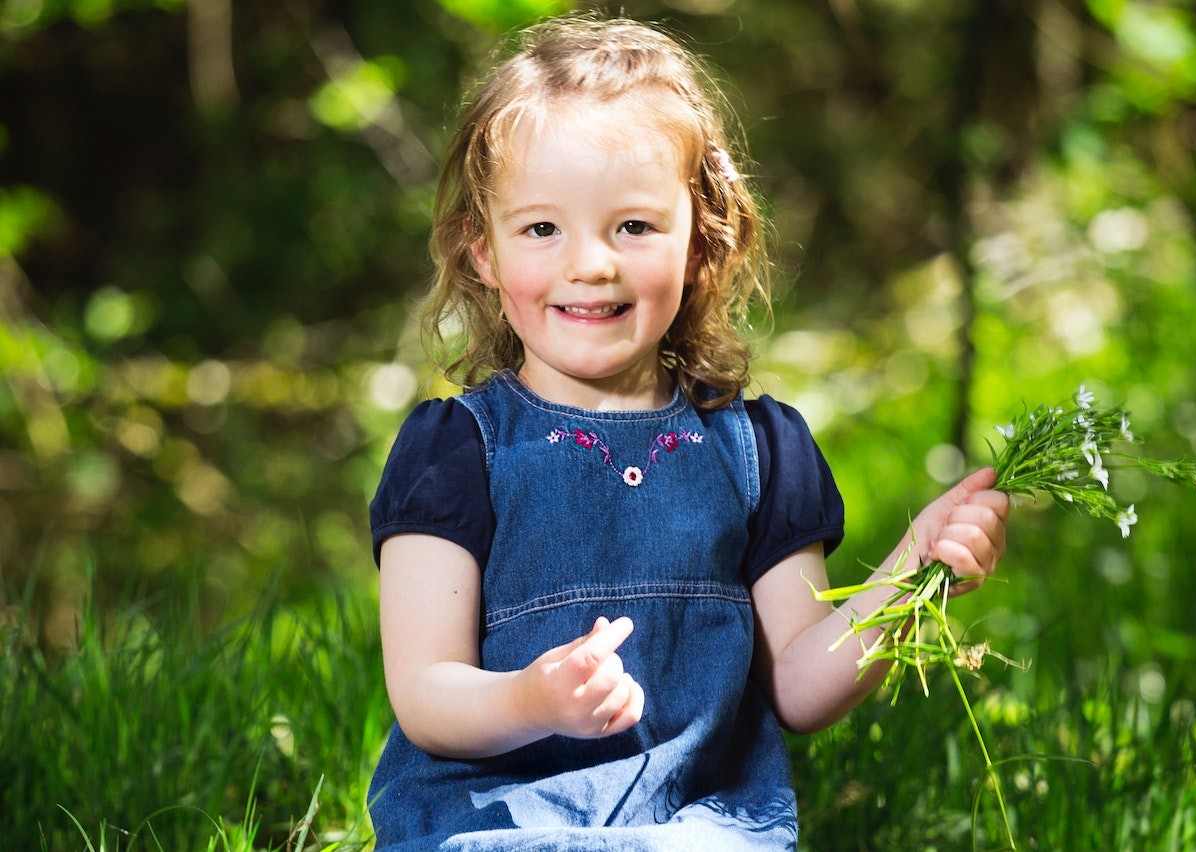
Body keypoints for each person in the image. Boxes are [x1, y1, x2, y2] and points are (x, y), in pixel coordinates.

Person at [367, 15, 1009, 851]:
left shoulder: (756, 451)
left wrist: (907, 578)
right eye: (540, 228)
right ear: (480, 251)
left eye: (632, 226)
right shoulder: (454, 450)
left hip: (697, 831)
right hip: (491, 827)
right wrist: (531, 699)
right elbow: (424, 693)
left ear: (702, 242)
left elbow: (796, 689)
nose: (589, 263)